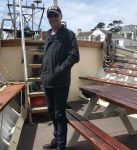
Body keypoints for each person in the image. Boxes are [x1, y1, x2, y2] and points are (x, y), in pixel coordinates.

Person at [40, 5, 80, 150]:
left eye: (55, 15)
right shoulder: (48, 34)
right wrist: (42, 76)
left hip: (60, 81)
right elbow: (46, 58)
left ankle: (61, 146)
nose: (52, 18)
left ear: (61, 17)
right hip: (48, 81)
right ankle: (56, 140)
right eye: (50, 16)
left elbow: (74, 56)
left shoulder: (68, 34)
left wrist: (58, 71)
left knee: (59, 114)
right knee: (51, 111)